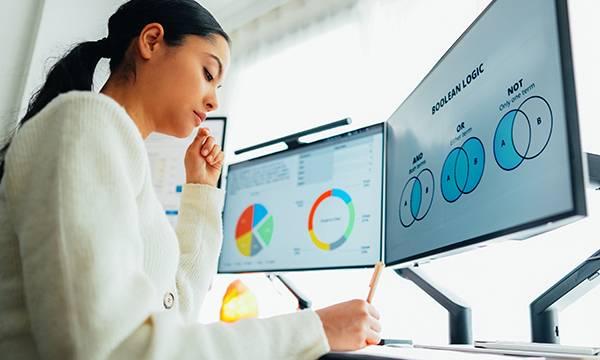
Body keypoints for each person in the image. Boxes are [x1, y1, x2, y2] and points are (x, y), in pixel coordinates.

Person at [0, 0, 382, 359]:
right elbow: (110, 347)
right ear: (151, 41)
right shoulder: (84, 123)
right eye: (208, 73)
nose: (215, 99)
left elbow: (172, 315)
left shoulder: (115, 151)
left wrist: (200, 192)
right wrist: (312, 329)